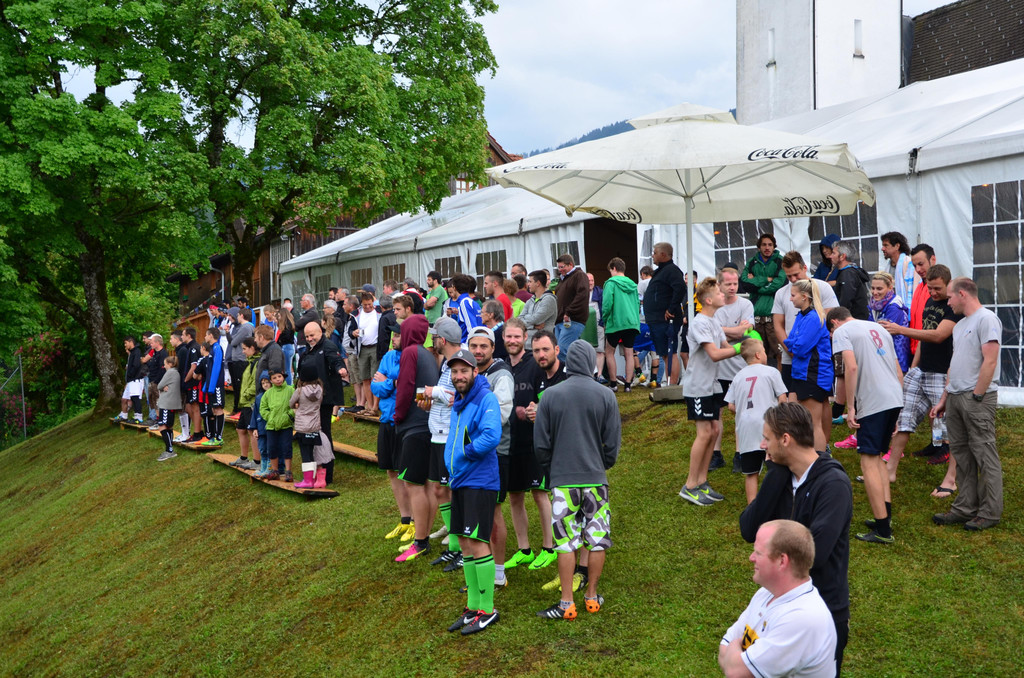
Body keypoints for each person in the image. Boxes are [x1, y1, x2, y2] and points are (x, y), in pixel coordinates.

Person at [740, 403, 853, 676]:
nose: (762, 444)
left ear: (785, 439)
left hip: (821, 612)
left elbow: (816, 553)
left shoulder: (833, 484)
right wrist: (774, 475)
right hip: (776, 607)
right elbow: (748, 529)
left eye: (767, 438)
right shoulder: (782, 475)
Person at [533, 340, 621, 620]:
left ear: (569, 361)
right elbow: (612, 443)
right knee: (597, 540)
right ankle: (592, 597)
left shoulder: (550, 395)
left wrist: (553, 468)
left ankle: (566, 603)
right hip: (596, 480)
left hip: (562, 481)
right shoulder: (605, 395)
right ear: (592, 362)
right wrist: (602, 465)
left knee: (565, 542)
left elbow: (541, 445)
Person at [719, 520, 837, 678]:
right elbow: (723, 651)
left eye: (758, 553)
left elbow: (735, 672)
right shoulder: (765, 593)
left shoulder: (802, 618)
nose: (751, 558)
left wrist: (735, 646)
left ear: (782, 561)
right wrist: (735, 660)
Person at [879, 264, 960, 490]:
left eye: (937, 289)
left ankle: (952, 478)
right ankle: (890, 471)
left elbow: (938, 335)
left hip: (942, 373)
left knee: (949, 428)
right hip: (921, 371)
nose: (932, 293)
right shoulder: (930, 302)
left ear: (948, 284)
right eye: (929, 288)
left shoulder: (954, 307)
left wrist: (900, 329)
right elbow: (925, 338)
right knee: (904, 419)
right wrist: (913, 369)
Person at [827, 306, 904, 544]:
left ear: (834, 323)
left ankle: (883, 531)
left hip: (872, 400)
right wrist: (898, 408)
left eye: (830, 333)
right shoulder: (878, 328)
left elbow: (850, 368)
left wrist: (850, 407)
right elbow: (898, 370)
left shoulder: (842, 332)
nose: (832, 337)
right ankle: (885, 517)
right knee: (878, 457)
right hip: (893, 396)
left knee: (868, 460)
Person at [932, 277, 1002, 532]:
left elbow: (990, 360)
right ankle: (965, 507)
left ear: (962, 294)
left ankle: (989, 512)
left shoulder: (986, 319)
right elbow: (955, 364)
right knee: (961, 453)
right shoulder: (960, 325)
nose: (948, 302)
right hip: (956, 396)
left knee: (984, 453)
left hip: (976, 397)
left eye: (950, 297)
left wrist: (978, 395)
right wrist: (945, 398)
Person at [444, 349, 503, 636]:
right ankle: (473, 606)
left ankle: (488, 610)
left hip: (479, 481)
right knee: (466, 543)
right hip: (461, 481)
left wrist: (465, 453)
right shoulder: (460, 401)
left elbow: (491, 436)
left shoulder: (485, 398)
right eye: (454, 371)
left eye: (463, 371)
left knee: (478, 542)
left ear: (475, 372)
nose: (459, 376)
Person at [502, 317, 556, 573]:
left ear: (525, 337)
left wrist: (537, 409)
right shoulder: (502, 367)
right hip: (509, 442)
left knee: (539, 494)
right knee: (514, 496)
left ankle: (549, 547)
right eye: (508, 336)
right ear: (503, 338)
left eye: (517, 336)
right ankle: (524, 550)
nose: (512, 341)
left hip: (534, 442)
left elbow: (549, 399)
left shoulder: (535, 364)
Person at [679, 278, 736, 506]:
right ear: (709, 300)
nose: (724, 294)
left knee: (714, 431)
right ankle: (690, 485)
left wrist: (748, 346)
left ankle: (702, 482)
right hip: (697, 387)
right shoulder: (699, 322)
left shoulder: (714, 322)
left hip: (712, 385)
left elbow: (727, 348)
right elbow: (714, 354)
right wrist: (742, 347)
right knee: (704, 434)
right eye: (719, 292)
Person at [468, 325, 514, 589]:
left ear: (493, 348)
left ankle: (498, 571)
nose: (478, 351)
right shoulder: (469, 372)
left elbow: (501, 416)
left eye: (483, 346)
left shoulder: (501, 374)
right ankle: (482, 567)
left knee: (494, 512)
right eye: (474, 346)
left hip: (496, 453)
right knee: (478, 513)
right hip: (472, 452)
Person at [393, 314, 440, 562]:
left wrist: (399, 415)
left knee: (413, 484)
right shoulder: (426, 354)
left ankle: (420, 541)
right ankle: (423, 537)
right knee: (426, 484)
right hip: (427, 425)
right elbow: (423, 391)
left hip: (415, 427)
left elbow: (406, 387)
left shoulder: (410, 352)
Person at [725, 339, 788, 503]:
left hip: (746, 428)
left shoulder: (738, 376)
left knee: (751, 472)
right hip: (768, 425)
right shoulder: (771, 372)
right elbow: (782, 398)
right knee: (775, 466)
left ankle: (751, 507)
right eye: (765, 351)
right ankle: (777, 502)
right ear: (759, 355)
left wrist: (744, 411)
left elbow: (730, 405)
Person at [422, 317, 463, 569]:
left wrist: (433, 392)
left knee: (451, 489)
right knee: (439, 488)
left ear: (443, 340)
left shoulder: (460, 362)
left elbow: (458, 395)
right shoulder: (446, 364)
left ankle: (459, 545)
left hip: (450, 435)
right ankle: (453, 542)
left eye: (434, 337)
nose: (432, 340)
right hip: (437, 433)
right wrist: (428, 402)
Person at [712, 266, 756, 470]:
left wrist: (726, 331)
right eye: (728, 284)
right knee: (717, 412)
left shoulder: (746, 304)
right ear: (719, 284)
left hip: (741, 367)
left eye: (735, 283)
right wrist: (736, 330)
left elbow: (746, 332)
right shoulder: (714, 306)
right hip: (719, 369)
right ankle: (716, 453)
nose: (732, 287)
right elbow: (714, 333)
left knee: (741, 411)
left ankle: (740, 453)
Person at [372, 325, 413, 541]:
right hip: (386, 419)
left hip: (403, 421)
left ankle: (415, 521)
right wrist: (392, 382)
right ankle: (404, 519)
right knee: (391, 470)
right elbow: (375, 388)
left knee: (407, 473)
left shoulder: (411, 357)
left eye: (397, 335)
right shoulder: (388, 356)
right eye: (393, 335)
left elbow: (405, 388)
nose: (393, 339)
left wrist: (388, 382)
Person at [784, 279, 834, 453]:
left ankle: (821, 459)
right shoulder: (802, 315)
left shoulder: (814, 317)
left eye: (793, 295)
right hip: (801, 372)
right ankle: (805, 454)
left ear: (804, 297)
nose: (790, 299)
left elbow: (799, 347)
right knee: (796, 416)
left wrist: (792, 344)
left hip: (813, 373)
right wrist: (792, 343)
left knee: (813, 422)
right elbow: (790, 340)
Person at [299, 321, 348, 484]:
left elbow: (335, 360)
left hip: (325, 399)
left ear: (320, 332)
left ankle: (327, 474)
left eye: (312, 335)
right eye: (307, 336)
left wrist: (340, 369)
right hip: (309, 400)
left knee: (324, 435)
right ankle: (313, 472)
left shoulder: (328, 346)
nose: (309, 339)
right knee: (311, 435)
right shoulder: (308, 350)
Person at [643, 242, 686, 386]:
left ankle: (672, 386)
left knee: (669, 353)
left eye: (655, 253)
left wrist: (671, 309)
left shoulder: (672, 270)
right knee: (664, 354)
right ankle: (670, 384)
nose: (652, 256)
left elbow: (680, 288)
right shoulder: (661, 271)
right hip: (656, 319)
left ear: (663, 254)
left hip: (666, 320)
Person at [741, 232, 786, 367]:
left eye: (770, 245)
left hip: (773, 316)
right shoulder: (752, 262)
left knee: (779, 352)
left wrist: (756, 285)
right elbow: (744, 282)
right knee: (757, 353)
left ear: (774, 246)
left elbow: (780, 283)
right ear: (759, 247)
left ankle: (778, 378)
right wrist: (767, 279)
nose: (767, 247)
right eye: (764, 245)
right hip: (756, 316)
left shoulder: (780, 261)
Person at [602, 257, 640, 393]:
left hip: (615, 322)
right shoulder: (633, 284)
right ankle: (628, 384)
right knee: (629, 353)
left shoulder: (610, 283)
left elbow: (607, 304)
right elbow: (637, 304)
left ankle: (613, 383)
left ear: (614, 268)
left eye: (610, 270)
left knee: (609, 352)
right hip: (631, 323)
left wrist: (604, 319)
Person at [291, 361, 326, 489]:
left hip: (303, 427)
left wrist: (297, 406)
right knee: (312, 453)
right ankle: (314, 478)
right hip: (315, 425)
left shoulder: (300, 391)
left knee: (305, 454)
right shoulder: (320, 390)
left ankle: (308, 480)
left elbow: (290, 403)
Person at [228, 337, 261, 470]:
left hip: (251, 403)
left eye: (244, 349)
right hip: (245, 403)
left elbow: (256, 383)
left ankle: (257, 461)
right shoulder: (250, 362)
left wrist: (247, 394)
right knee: (240, 429)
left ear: (252, 348)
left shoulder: (257, 363)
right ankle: (243, 457)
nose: (243, 352)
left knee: (252, 431)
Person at [868, 272, 910, 373]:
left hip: (897, 360)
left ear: (890, 288)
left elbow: (882, 334)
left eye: (879, 289)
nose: (874, 292)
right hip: (882, 358)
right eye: (873, 288)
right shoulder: (874, 305)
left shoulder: (894, 307)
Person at [553, 254, 590, 362]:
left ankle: (572, 371)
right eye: (559, 267)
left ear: (570, 264)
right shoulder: (563, 279)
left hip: (572, 320)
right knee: (558, 351)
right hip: (560, 321)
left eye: (562, 267)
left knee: (562, 350)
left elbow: (582, 295)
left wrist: (568, 312)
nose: (560, 270)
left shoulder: (579, 275)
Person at [259, 369, 295, 481]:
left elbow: (295, 405)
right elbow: (263, 408)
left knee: (287, 447)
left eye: (279, 376)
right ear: (271, 380)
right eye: (274, 378)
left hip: (286, 424)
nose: (278, 379)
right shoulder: (268, 393)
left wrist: (289, 415)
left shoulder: (290, 390)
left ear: (283, 377)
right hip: (272, 425)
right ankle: (275, 471)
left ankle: (288, 471)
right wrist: (269, 417)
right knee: (272, 448)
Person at [907, 243, 938, 357]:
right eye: (915, 266)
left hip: (931, 352)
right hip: (916, 351)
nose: (918, 269)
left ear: (932, 260)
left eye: (921, 264)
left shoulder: (941, 290)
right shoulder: (919, 288)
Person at [353, 291, 381, 414]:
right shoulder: (357, 314)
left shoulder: (379, 313)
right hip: (362, 348)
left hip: (375, 347)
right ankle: (369, 406)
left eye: (370, 304)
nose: (368, 307)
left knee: (375, 377)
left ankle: (375, 406)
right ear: (361, 304)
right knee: (365, 378)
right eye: (365, 305)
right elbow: (350, 331)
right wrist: (353, 333)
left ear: (373, 303)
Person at [200, 326, 227, 446]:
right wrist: (206, 386)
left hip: (216, 385)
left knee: (218, 409)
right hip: (211, 385)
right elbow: (209, 370)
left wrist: (211, 386)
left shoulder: (217, 348)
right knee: (214, 410)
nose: (205, 337)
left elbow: (216, 368)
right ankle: (214, 437)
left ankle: (219, 437)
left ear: (211, 336)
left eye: (206, 335)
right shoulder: (212, 349)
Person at [830, 241, 870, 320]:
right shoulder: (851, 271)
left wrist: (839, 318)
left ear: (842, 256)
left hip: (853, 320)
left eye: (833, 253)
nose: (830, 256)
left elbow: (846, 301)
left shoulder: (848, 274)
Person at [880, 230, 918, 311]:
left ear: (897, 246)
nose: (882, 249)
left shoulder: (909, 265)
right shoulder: (887, 268)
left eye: (886, 245)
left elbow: (915, 290)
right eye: (883, 245)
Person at [227, 307, 255, 414]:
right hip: (237, 359)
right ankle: (238, 408)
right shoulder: (245, 327)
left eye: (238, 315)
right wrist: (228, 333)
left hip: (240, 359)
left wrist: (231, 337)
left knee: (239, 386)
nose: (237, 317)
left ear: (242, 316)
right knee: (236, 385)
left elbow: (233, 342)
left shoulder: (245, 327)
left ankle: (238, 409)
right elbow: (232, 340)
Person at [155, 354, 182, 462]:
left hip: (167, 403)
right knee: (169, 426)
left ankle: (169, 450)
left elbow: (159, 385)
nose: (164, 366)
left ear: (170, 364)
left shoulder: (170, 372)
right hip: (171, 403)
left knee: (162, 426)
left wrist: (162, 388)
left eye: (165, 364)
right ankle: (169, 449)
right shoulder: (176, 372)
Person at [520, 269, 557, 349]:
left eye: (530, 281)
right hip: (526, 345)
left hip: (542, 346)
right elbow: (519, 320)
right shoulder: (530, 300)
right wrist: (533, 326)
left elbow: (536, 319)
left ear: (538, 283)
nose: (528, 284)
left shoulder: (549, 300)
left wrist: (527, 318)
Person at [116, 336, 145, 423]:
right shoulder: (131, 353)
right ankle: (124, 415)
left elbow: (136, 365)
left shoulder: (137, 351)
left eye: (126, 343)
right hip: (130, 380)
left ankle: (138, 417)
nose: (125, 345)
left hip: (135, 379)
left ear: (131, 342)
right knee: (125, 398)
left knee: (135, 398)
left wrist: (131, 375)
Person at [181, 327, 203, 441]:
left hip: (194, 382)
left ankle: (198, 433)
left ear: (189, 335)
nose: (181, 337)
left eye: (183, 334)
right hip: (190, 383)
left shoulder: (194, 348)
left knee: (195, 406)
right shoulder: (189, 347)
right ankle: (197, 430)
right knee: (189, 406)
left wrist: (186, 379)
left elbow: (193, 366)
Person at [250, 371, 272, 477]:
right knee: (262, 448)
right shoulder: (259, 397)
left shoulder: (274, 396)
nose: (265, 385)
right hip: (260, 427)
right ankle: (263, 468)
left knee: (270, 448)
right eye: (263, 383)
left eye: (267, 382)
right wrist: (254, 428)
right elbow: (255, 413)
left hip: (271, 427)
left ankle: (269, 468)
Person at [449, 273, 482, 343]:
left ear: (454, 288)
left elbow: (471, 328)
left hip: (467, 344)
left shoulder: (464, 302)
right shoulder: (473, 302)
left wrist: (471, 345)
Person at [144, 334, 168, 428]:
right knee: (153, 401)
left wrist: (157, 382)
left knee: (159, 401)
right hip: (151, 379)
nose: (150, 344)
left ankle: (162, 420)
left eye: (152, 342)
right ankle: (158, 419)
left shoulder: (163, 353)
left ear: (157, 342)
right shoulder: (154, 353)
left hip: (158, 381)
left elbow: (162, 369)